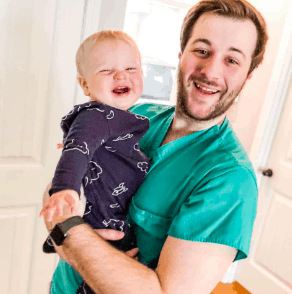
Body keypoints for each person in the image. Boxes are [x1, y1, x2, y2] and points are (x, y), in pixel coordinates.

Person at [42, 0, 269, 293]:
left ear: (248, 76)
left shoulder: (229, 179)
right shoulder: (134, 115)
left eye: (232, 60)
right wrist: (67, 225)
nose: (210, 72)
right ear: (180, 54)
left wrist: (67, 234)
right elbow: (63, 177)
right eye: (202, 50)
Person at [39, 30, 150, 294]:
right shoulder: (97, 116)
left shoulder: (119, 120)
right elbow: (77, 149)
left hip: (113, 217)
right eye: (106, 70)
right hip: (104, 222)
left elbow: (81, 145)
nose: (121, 76)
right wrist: (65, 188)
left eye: (131, 68)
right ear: (85, 85)